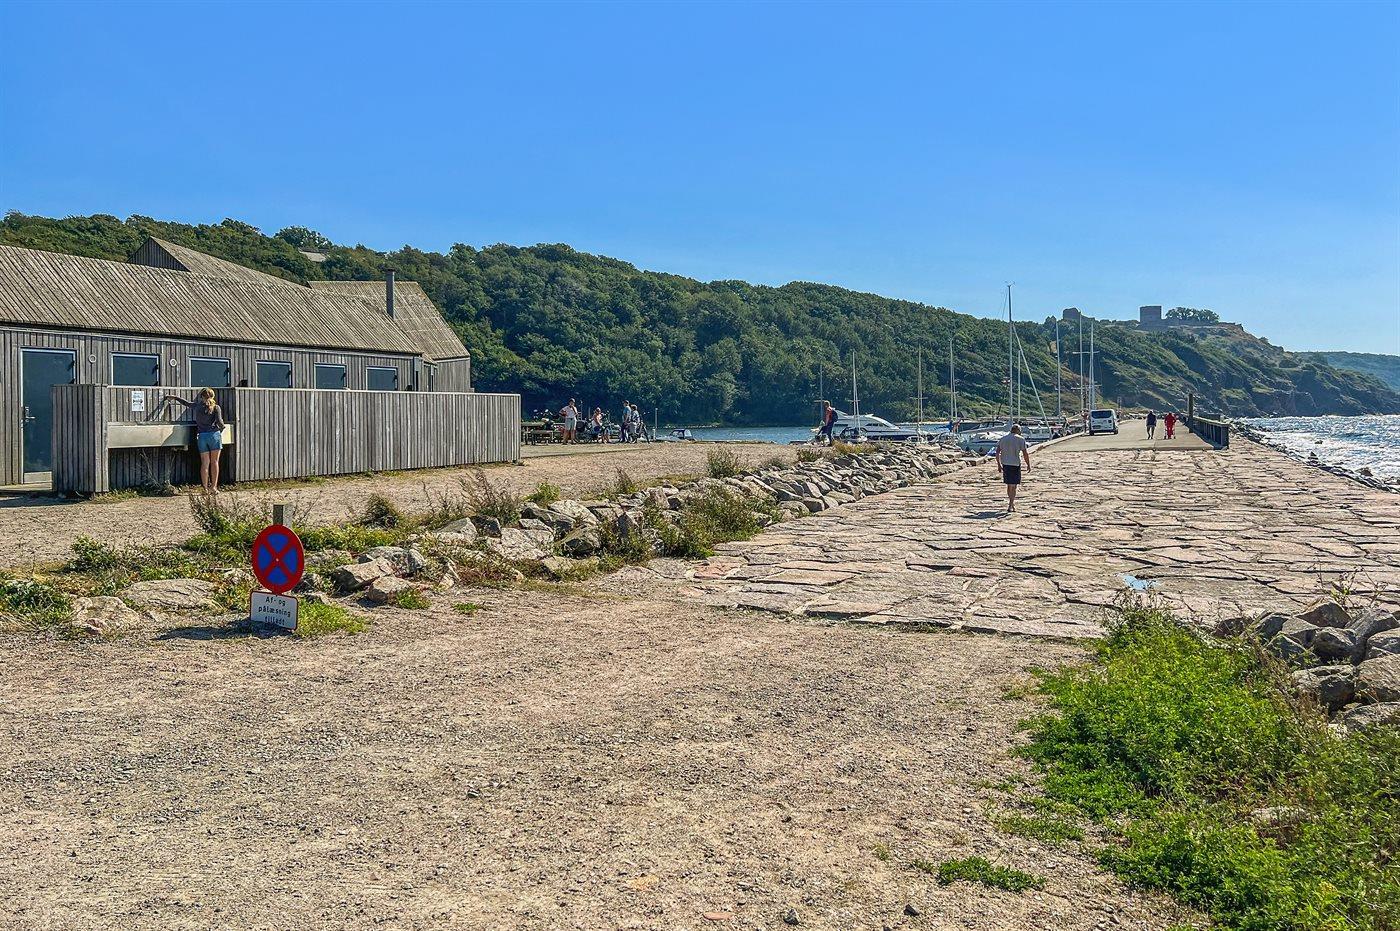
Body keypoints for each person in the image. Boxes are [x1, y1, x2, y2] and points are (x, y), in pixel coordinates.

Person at [164, 387, 225, 495]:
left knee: (205, 463)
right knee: (215, 462)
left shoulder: (197, 406)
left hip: (202, 436)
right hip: (214, 435)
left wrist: (174, 397)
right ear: (212, 396)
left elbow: (186, 403)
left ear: (201, 397)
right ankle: (213, 487)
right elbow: (220, 422)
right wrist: (221, 429)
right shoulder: (216, 407)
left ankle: (205, 488)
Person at [995, 424, 1032, 512]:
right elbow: (1025, 453)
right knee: (1014, 486)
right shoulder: (1021, 439)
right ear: (1018, 430)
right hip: (1015, 464)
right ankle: (1011, 504)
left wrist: (999, 464)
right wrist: (1028, 464)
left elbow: (997, 452)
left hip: (1006, 464)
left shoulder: (1003, 439)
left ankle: (1011, 503)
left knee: (1009, 485)